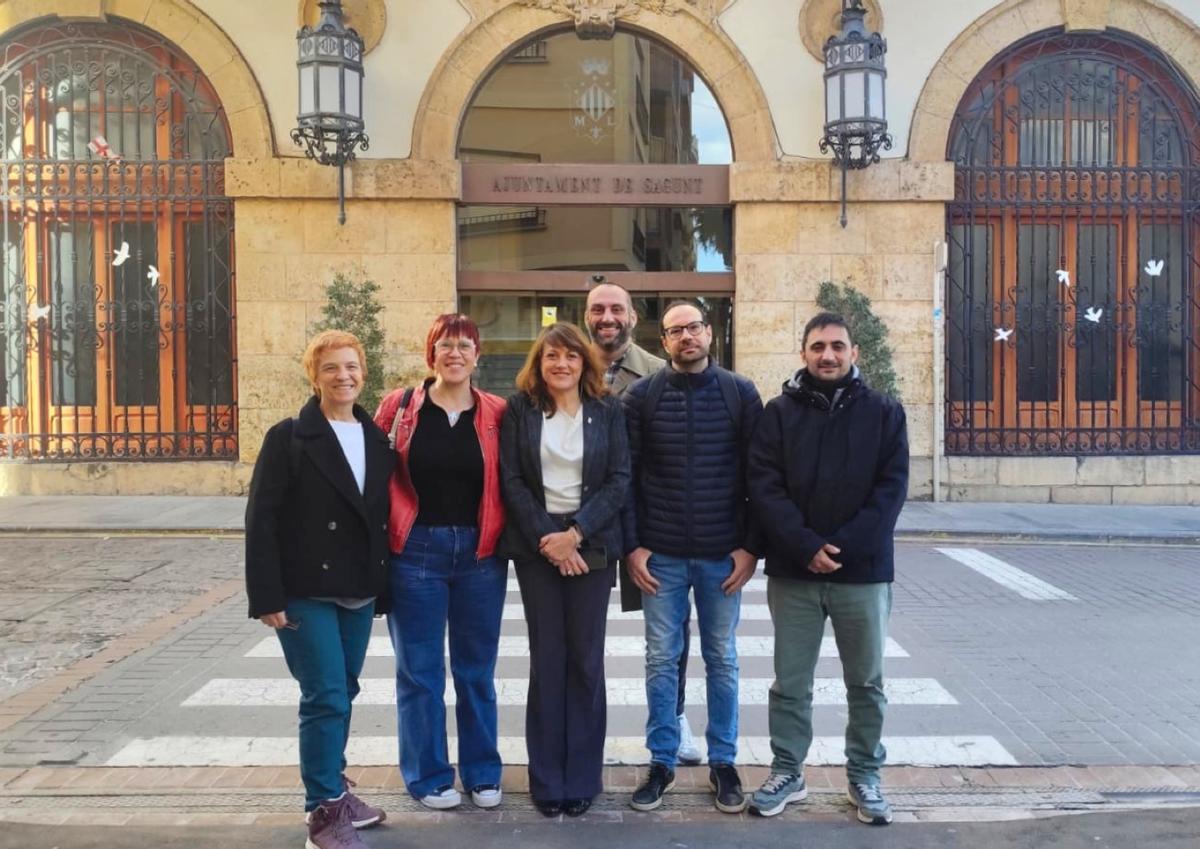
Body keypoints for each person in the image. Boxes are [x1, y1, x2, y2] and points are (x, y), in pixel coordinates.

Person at [746, 312, 909, 826]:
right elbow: (764, 487)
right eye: (817, 346)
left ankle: (864, 775)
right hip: (795, 573)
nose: (828, 355)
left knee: (866, 683)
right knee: (790, 683)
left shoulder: (884, 412)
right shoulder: (778, 413)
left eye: (838, 345)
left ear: (854, 352)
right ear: (803, 354)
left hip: (862, 573)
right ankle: (788, 772)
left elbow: (892, 489)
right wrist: (804, 546)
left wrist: (840, 549)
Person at [245, 330, 394, 849]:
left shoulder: (377, 438)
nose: (343, 376)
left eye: (351, 366)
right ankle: (322, 812)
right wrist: (267, 597)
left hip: (357, 589)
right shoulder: (288, 436)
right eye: (331, 368)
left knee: (343, 692)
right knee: (325, 695)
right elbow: (261, 520)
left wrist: (383, 587)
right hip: (305, 588)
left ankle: (336, 790)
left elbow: (376, 520)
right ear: (314, 376)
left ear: (363, 373)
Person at [622, 301, 763, 814]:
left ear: (710, 333)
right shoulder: (642, 397)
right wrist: (633, 546)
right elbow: (628, 477)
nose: (687, 337)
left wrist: (751, 547)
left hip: (723, 557)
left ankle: (723, 761)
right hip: (660, 556)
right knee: (662, 660)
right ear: (664, 342)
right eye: (676, 330)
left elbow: (759, 476)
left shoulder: (739, 393)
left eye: (694, 327)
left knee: (721, 658)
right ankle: (661, 761)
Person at [373, 314, 508, 811]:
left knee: (477, 670)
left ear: (478, 355)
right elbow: (369, 471)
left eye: (464, 346)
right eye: (445, 345)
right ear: (430, 353)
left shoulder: (496, 411)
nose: (455, 353)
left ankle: (482, 773)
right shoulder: (401, 406)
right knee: (420, 672)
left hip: (479, 553)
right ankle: (428, 775)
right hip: (415, 552)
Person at [500, 322, 631, 818]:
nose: (561, 364)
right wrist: (550, 541)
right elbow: (511, 480)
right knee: (547, 660)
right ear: (539, 363)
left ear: (584, 363)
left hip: (591, 546)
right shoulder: (520, 410)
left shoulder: (607, 410)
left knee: (585, 661)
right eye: (552, 356)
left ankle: (582, 778)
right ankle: (547, 779)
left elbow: (619, 480)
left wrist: (574, 534)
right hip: (538, 548)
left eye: (571, 357)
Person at [583, 282, 701, 766]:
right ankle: (583, 728)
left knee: (670, 633)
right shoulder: (567, 367)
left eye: (616, 309)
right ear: (585, 316)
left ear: (634, 317)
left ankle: (674, 717)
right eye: (597, 309)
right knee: (582, 636)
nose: (607, 317)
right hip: (582, 526)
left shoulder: (658, 372)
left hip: (646, 525)